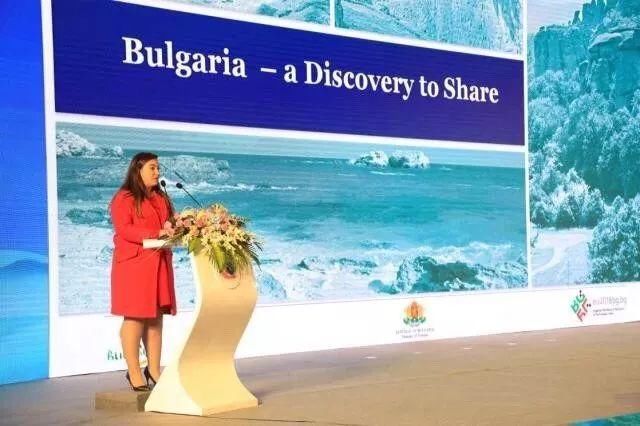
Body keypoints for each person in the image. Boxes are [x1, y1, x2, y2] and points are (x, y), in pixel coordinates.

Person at [109, 152, 176, 391]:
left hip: (158, 263)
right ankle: (134, 372)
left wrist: (177, 225)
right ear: (138, 170)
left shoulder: (161, 197)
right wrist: (156, 232)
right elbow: (124, 229)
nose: (157, 172)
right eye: (152, 168)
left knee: (156, 318)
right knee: (135, 317)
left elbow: (168, 224)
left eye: (158, 168)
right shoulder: (124, 198)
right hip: (134, 266)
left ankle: (154, 370)